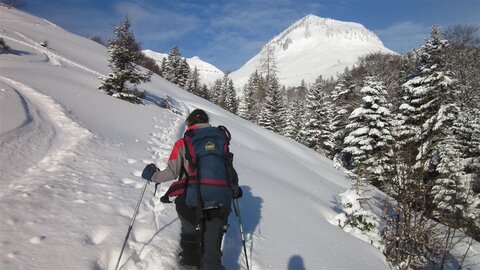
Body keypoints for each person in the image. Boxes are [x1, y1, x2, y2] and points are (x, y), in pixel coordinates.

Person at [141, 109, 242, 270]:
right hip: (221, 201)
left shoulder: (183, 142)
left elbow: (172, 173)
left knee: (190, 233)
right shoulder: (219, 140)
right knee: (211, 251)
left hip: (191, 202)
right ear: (207, 121)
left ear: (189, 123)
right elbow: (229, 170)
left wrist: (152, 176)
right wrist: (235, 189)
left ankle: (190, 260)